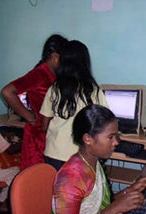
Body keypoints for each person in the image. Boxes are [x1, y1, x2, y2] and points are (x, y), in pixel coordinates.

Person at [44, 104, 146, 214]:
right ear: (88, 139)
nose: (116, 142)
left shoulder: (93, 161)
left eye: (117, 136)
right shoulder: (71, 179)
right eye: (110, 137)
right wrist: (112, 209)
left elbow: (96, 204)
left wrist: (130, 190)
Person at [1, 34, 68, 170]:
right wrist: (29, 116)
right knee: (37, 179)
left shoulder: (54, 76)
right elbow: (7, 92)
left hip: (50, 137)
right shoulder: (38, 74)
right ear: (55, 57)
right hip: (37, 139)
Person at [40, 40, 108, 171]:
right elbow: (104, 124)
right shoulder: (93, 91)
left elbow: (44, 125)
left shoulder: (54, 89)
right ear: (86, 63)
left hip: (54, 152)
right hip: (82, 154)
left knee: (57, 190)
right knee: (79, 191)